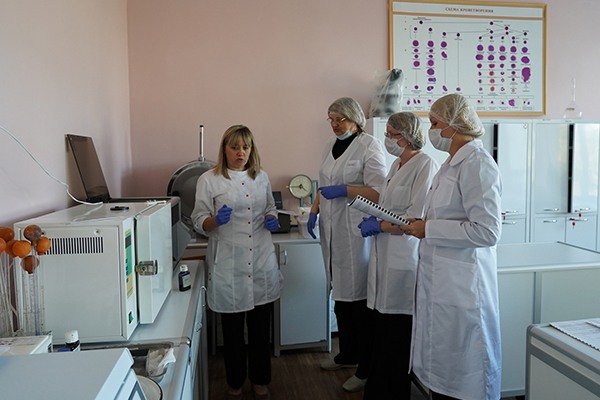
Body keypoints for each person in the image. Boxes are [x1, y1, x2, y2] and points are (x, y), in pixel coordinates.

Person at [399, 93, 503, 400]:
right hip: (442, 283)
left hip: (463, 287)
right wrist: (423, 223)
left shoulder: (477, 164)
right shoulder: (450, 165)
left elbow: (487, 231)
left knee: (466, 375)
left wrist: (428, 229)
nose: (431, 131)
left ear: (454, 125)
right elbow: (450, 216)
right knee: (443, 373)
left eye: (434, 124)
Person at [191, 125, 282, 400]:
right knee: (231, 332)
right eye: (234, 147)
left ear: (251, 150)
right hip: (229, 264)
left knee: (260, 329)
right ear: (225, 149)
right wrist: (214, 220)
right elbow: (198, 219)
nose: (241, 152)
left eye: (245, 147)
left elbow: (270, 207)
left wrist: (272, 218)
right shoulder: (209, 179)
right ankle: (235, 382)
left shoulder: (261, 177)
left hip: (261, 261)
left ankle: (260, 380)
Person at [308, 97, 387, 392]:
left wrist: (346, 190)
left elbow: (379, 191)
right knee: (341, 299)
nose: (335, 124)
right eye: (331, 119)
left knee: (358, 304)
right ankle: (347, 355)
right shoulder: (330, 146)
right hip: (332, 231)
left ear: (355, 119)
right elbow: (322, 183)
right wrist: (314, 208)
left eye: (340, 119)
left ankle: (365, 369)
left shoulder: (369, 146)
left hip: (355, 232)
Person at [357, 112, 438, 400]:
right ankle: (378, 390)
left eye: (393, 134)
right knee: (381, 329)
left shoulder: (425, 165)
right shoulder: (396, 164)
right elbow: (389, 204)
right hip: (384, 256)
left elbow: (415, 218)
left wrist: (380, 225)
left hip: (405, 258)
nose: (388, 139)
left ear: (408, 135)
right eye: (388, 133)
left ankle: (395, 393)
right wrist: (374, 216)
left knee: (397, 336)